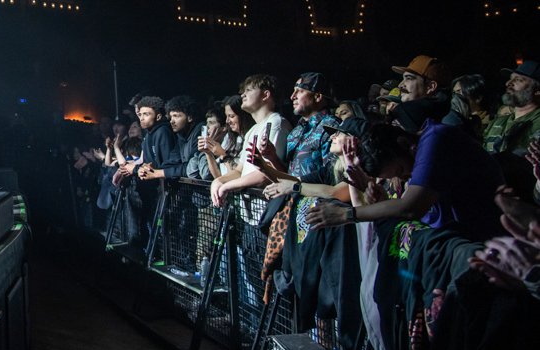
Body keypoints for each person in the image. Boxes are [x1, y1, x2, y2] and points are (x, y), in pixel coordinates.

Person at [306, 115, 506, 242]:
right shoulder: (421, 149)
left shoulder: (436, 139)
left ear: (403, 143)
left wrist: (346, 215)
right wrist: (382, 201)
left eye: (400, 169)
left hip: (487, 242)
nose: (404, 177)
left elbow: (411, 207)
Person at [211, 75, 292, 206]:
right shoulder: (253, 130)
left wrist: (227, 186)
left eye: (249, 90)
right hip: (251, 213)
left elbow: (265, 174)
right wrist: (219, 181)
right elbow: (239, 171)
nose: (243, 95)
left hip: (268, 209)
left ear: (265, 95)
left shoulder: (275, 123)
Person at [482, 60, 540, 155]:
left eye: (518, 80)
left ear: (538, 90)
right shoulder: (497, 122)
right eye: (510, 78)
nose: (508, 83)